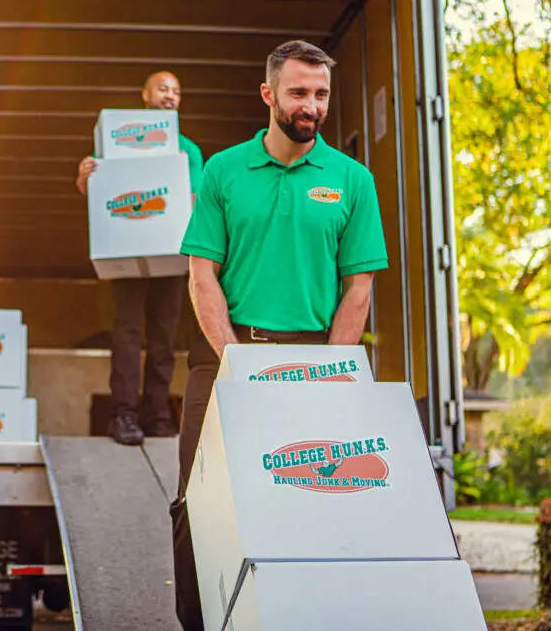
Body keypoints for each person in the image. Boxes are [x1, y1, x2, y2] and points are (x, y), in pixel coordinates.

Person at [168, 40, 389, 630]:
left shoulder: (353, 180)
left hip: (314, 356)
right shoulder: (223, 171)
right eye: (298, 92)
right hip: (223, 359)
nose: (311, 105)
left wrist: (331, 372)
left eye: (320, 94)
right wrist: (236, 362)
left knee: (309, 499)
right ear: (269, 95)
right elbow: (201, 274)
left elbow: (358, 288)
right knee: (199, 500)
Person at [75, 71, 205, 445]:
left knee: (164, 338)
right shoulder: (119, 140)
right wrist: (84, 176)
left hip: (169, 254)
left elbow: (193, 201)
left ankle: (158, 417)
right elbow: (99, 193)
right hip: (128, 251)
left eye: (177, 91)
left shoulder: (188, 150)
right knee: (128, 334)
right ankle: (123, 416)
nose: (170, 96)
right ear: (145, 94)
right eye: (163, 89)